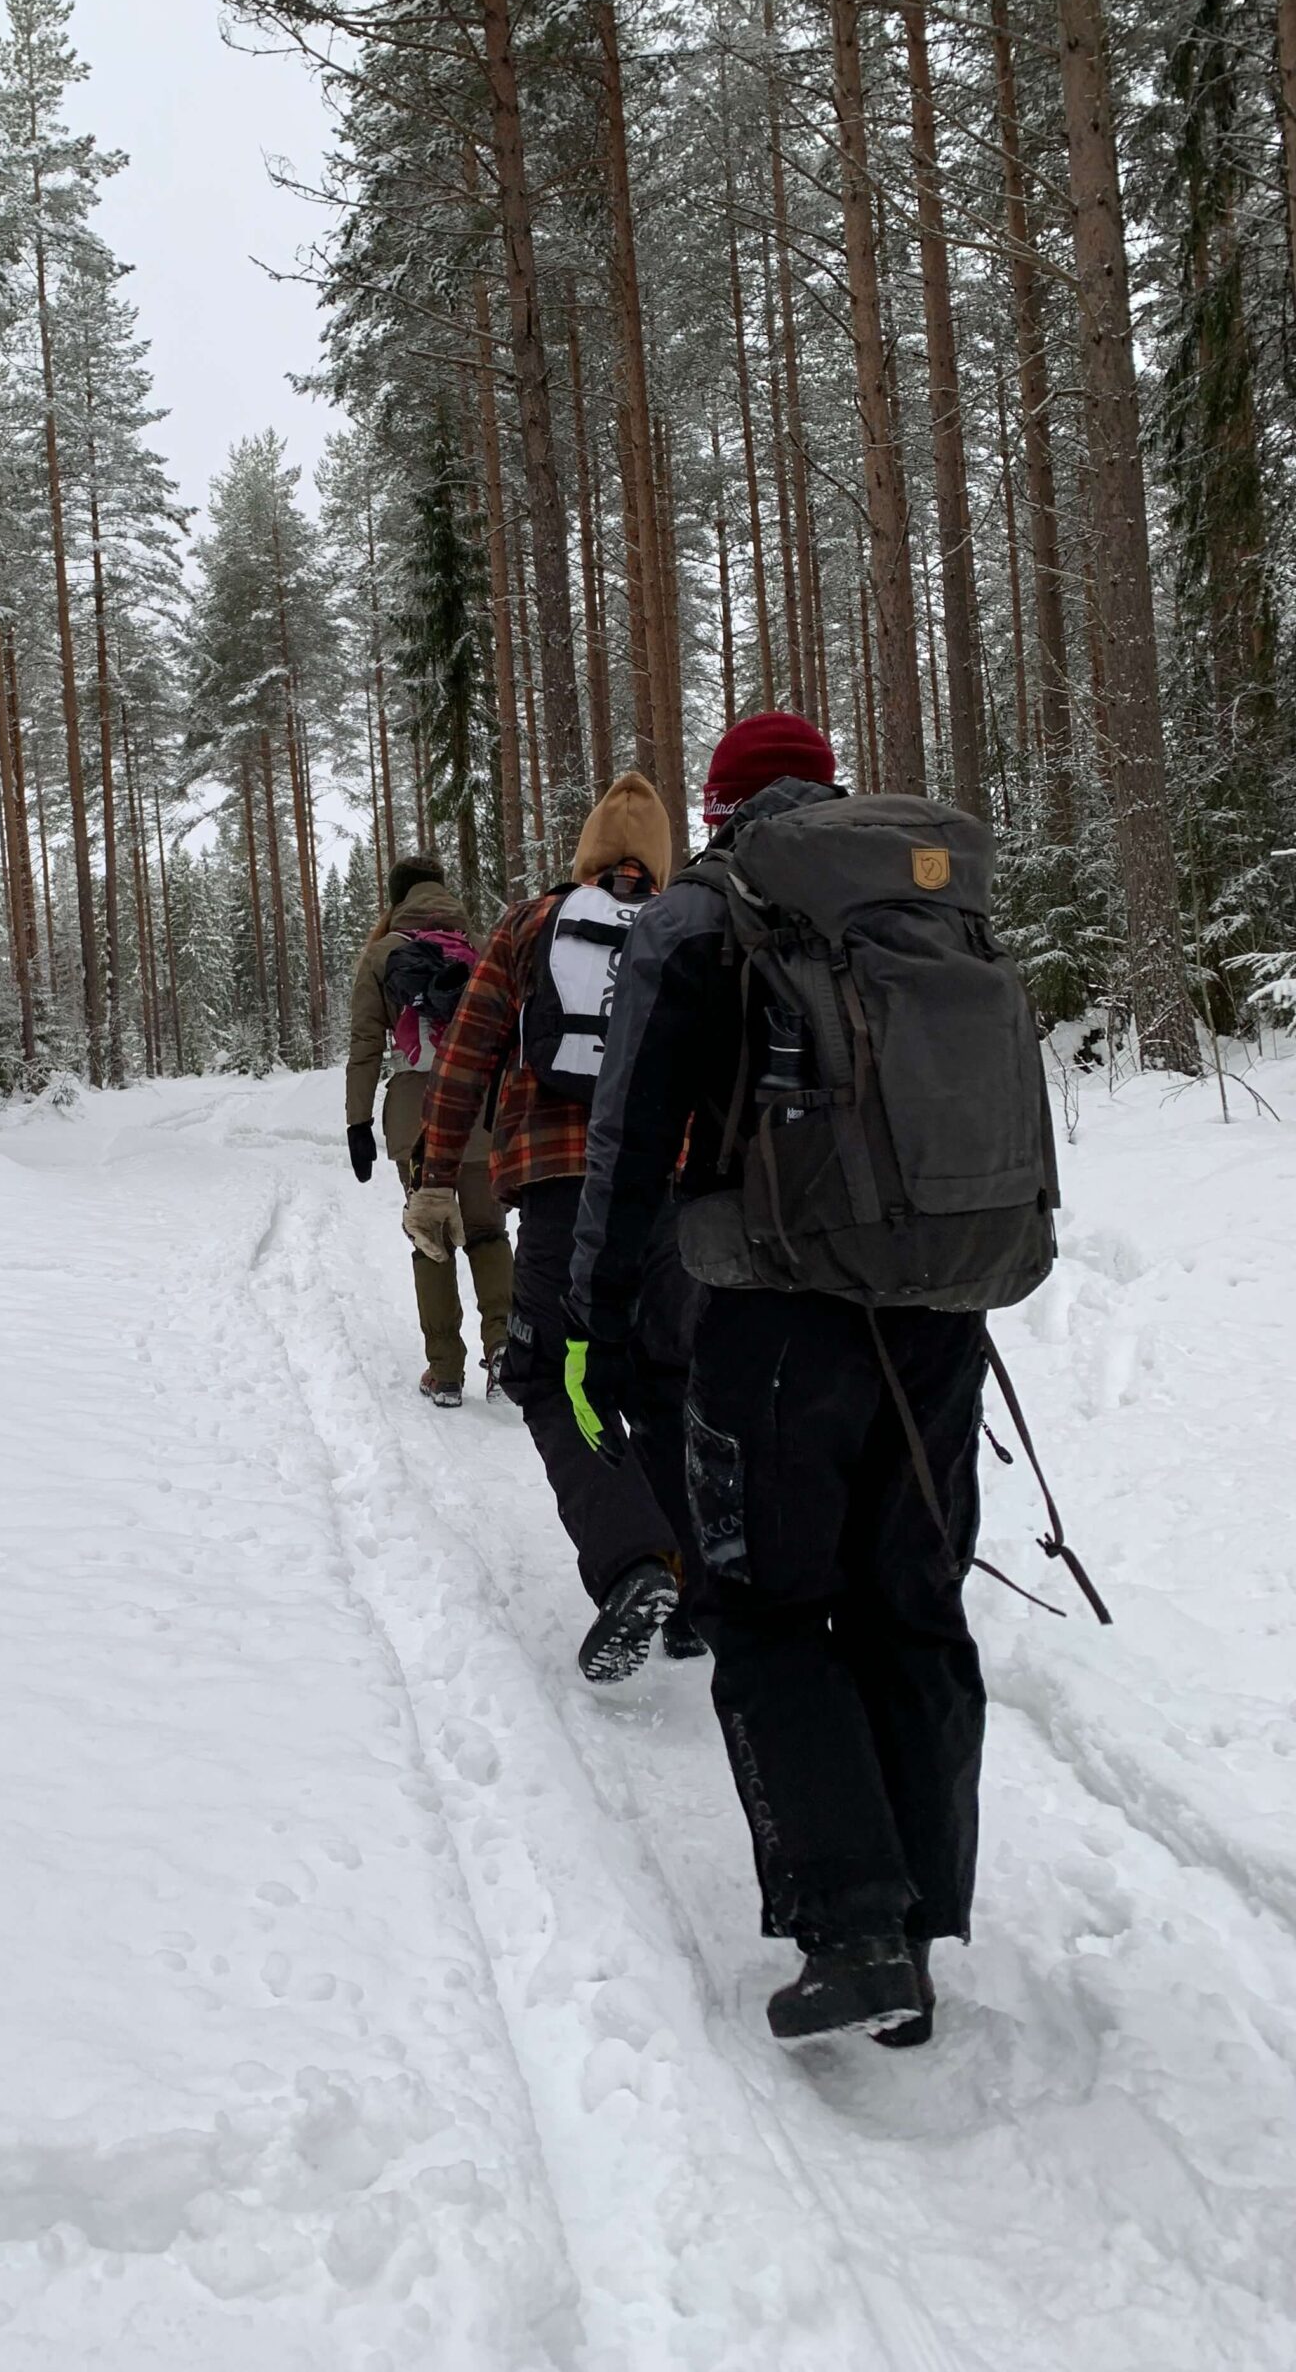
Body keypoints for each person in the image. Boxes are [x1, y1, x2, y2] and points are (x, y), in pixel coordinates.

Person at [565, 710, 1054, 2048]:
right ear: (828, 787)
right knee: (910, 1601)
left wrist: (597, 1320)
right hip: (940, 1312)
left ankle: (852, 1932)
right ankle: (923, 1923)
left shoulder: (702, 918)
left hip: (771, 1319)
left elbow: (632, 1138)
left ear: (723, 805)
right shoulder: (922, 905)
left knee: (773, 1610)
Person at [405, 773, 704, 1681]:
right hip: (669, 1190)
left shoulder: (532, 926)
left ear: (581, 855)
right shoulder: (688, 925)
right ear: (658, 860)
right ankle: (693, 1590)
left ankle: (631, 1561)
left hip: (561, 1188)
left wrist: (434, 1176)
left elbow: (468, 1055)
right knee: (666, 1376)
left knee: (550, 1372)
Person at [345, 854, 514, 1407]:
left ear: (396, 897)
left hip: (414, 1112)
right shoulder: (481, 948)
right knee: (487, 1231)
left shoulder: (382, 953)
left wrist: (359, 1123)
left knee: (431, 1236)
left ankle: (444, 1372)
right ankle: (506, 1353)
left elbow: (365, 1047)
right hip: (480, 1106)